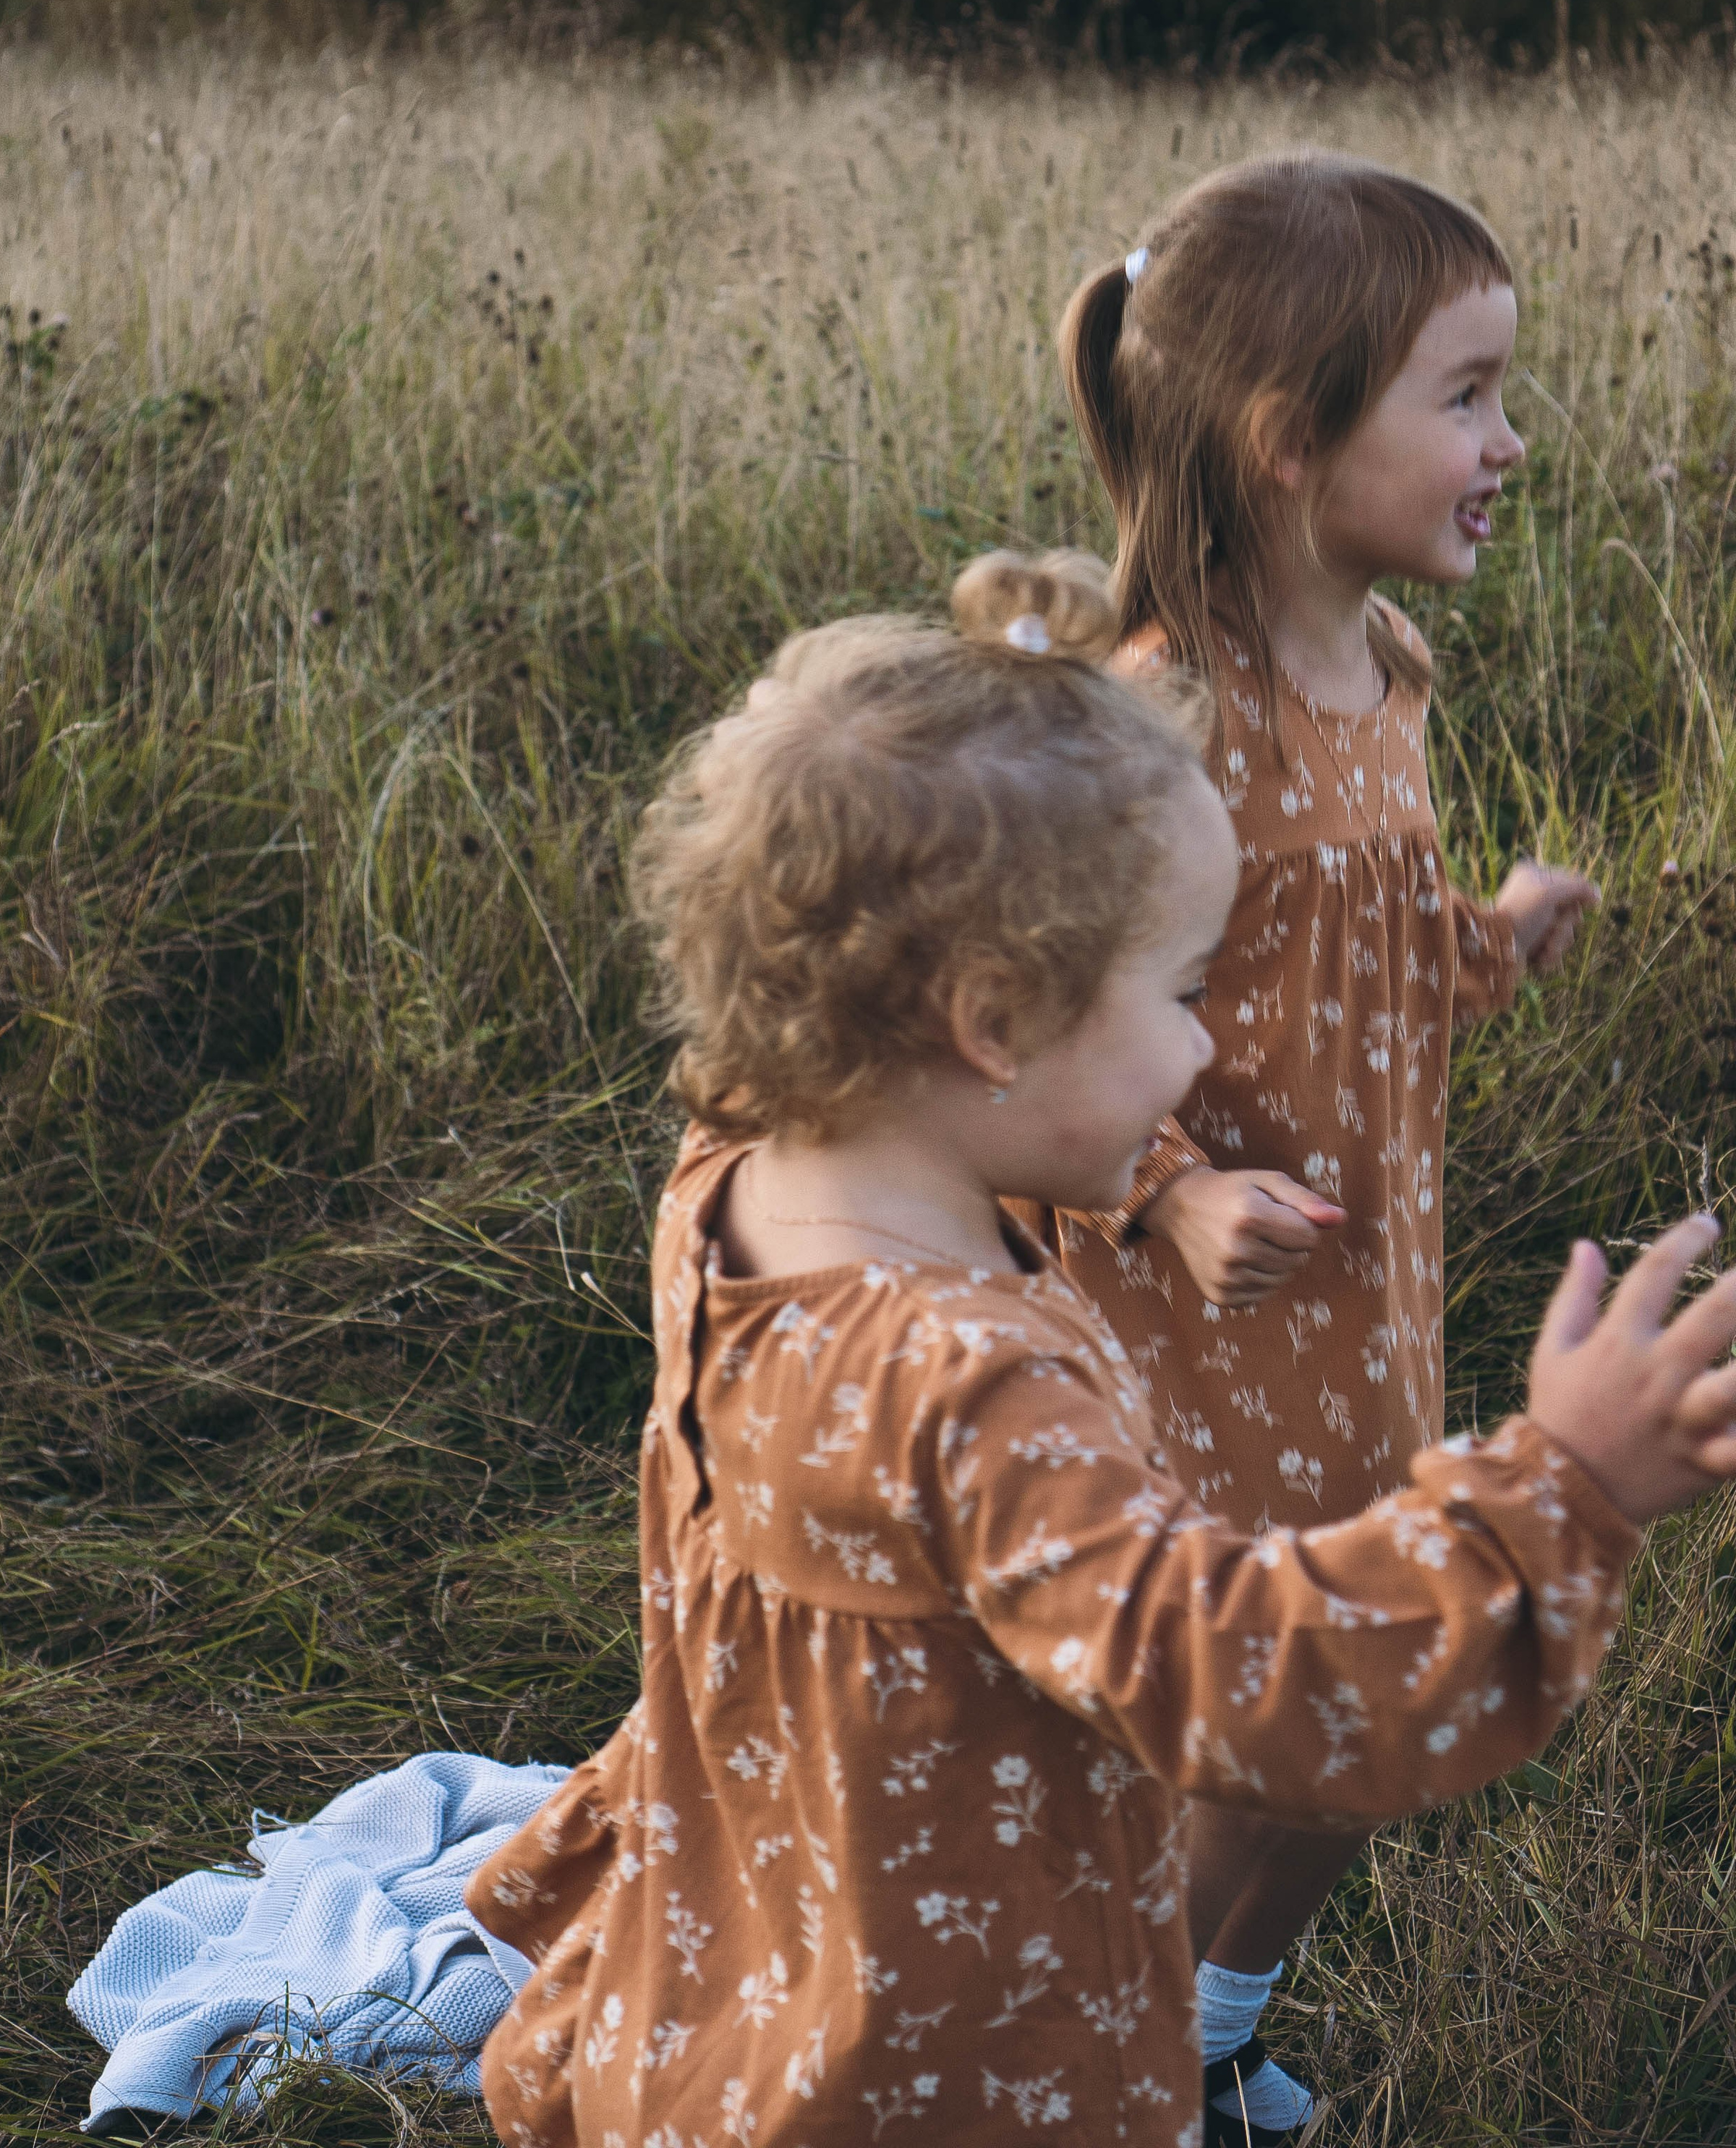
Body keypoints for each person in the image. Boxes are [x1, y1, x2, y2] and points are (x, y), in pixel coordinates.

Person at [467, 553, 1735, 2148]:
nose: (1205, 1046)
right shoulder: (969, 1390)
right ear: (990, 1024)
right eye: (1183, 991)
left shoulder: (724, 1183)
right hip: (939, 2050)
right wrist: (1565, 1491)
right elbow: (1244, 1681)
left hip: (755, 1928)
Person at [1050, 151, 1601, 2138]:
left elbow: (1334, 961)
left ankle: (1200, 2035)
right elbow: (1033, 1038)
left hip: (1366, 1302)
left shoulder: (1390, 674)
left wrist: (1474, 946)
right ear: (1291, 442)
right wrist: (1172, 1188)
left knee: (1349, 1724)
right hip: (1204, 1328)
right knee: (1287, 1715)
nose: (1509, 442)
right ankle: (1136, 2071)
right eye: (1464, 396)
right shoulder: (1168, 716)